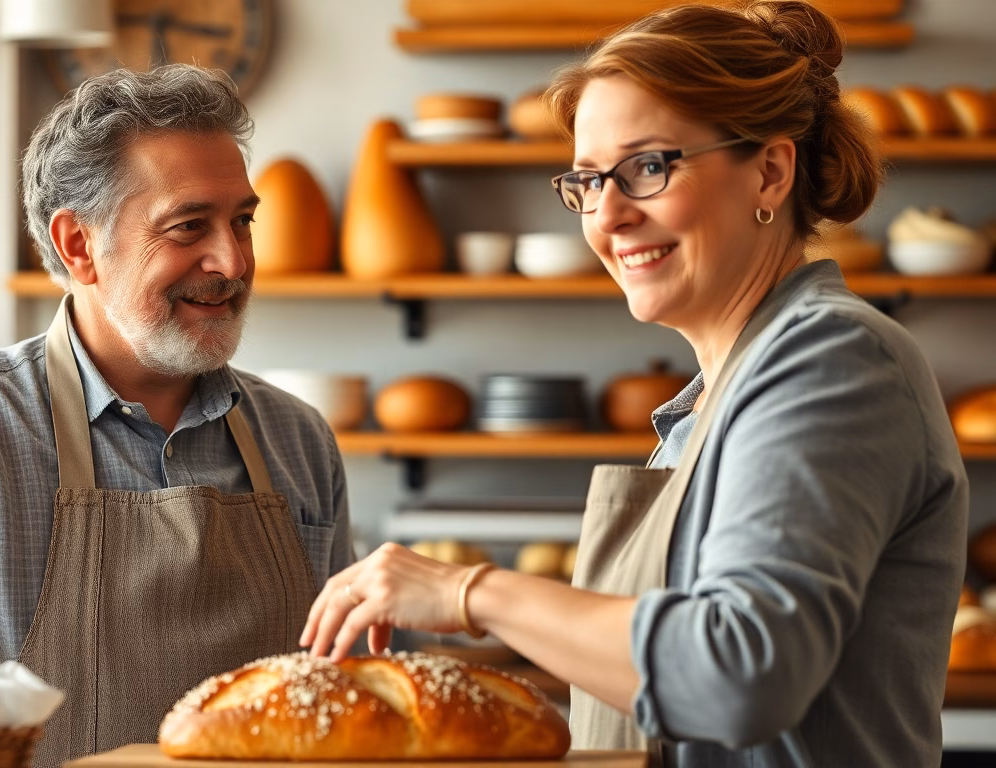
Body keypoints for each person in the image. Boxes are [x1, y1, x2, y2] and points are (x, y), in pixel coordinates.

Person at [300, 3, 967, 766]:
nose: (607, 215)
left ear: (770, 171)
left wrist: (469, 593)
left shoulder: (832, 358)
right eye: (587, 180)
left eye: (647, 166)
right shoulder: (717, 396)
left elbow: (738, 674)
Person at [0, 64, 353, 765]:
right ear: (79, 246)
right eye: (189, 225)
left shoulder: (299, 442)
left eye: (242, 222)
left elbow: (343, 707)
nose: (232, 260)